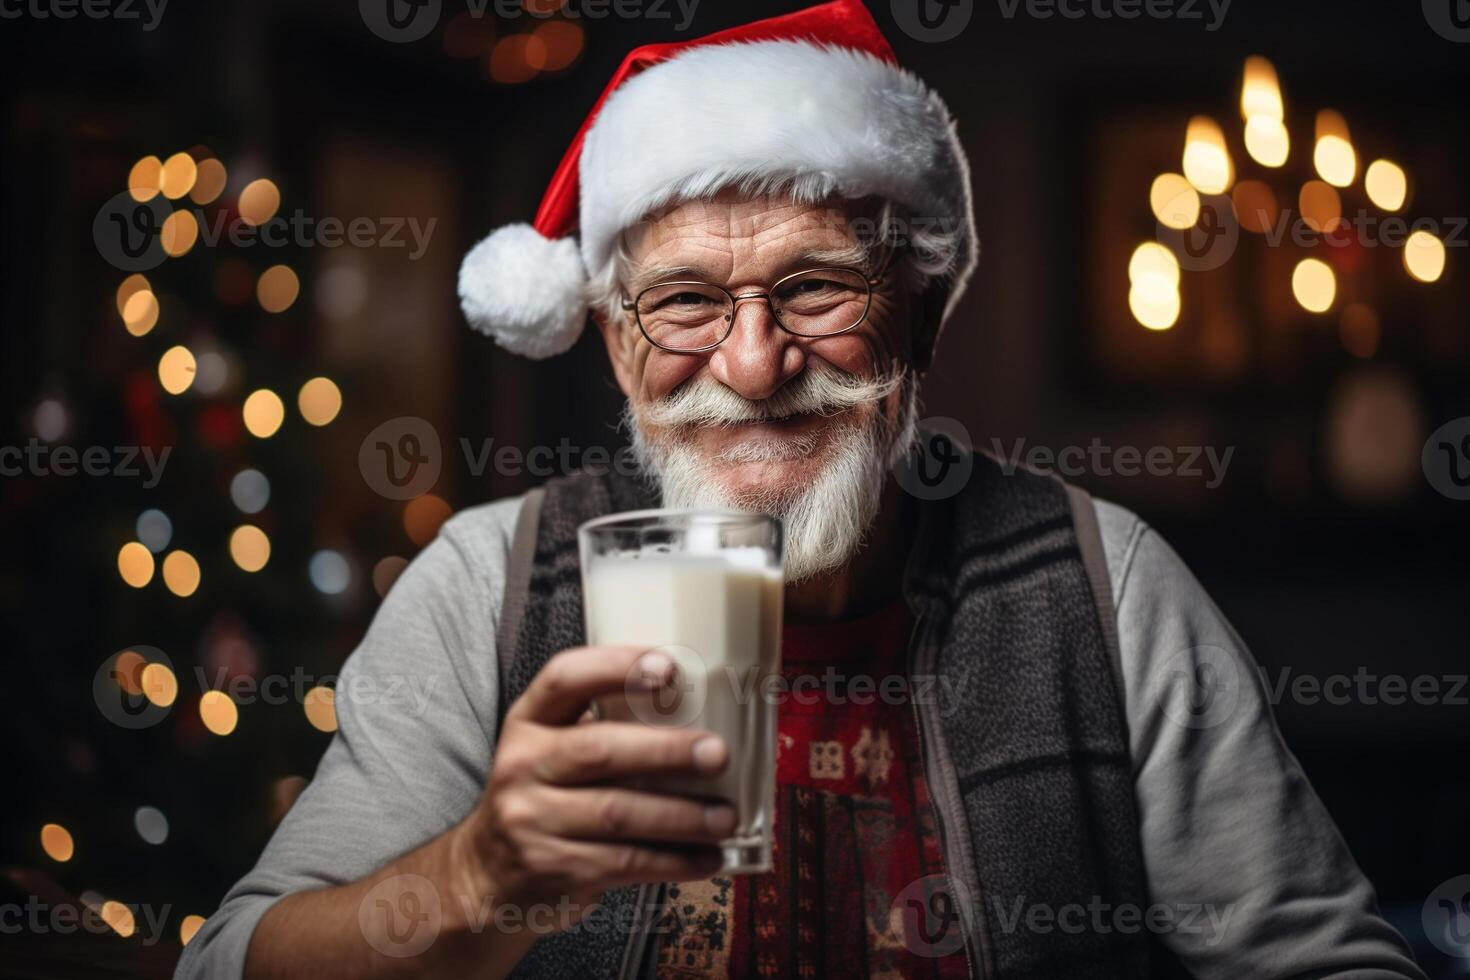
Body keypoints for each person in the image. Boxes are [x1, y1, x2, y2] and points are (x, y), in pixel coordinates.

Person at [175, 2, 1425, 977]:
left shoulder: (1109, 582)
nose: (757, 362)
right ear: (615, 344)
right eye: (684, 303)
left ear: (921, 312)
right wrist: (475, 879)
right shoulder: (483, 584)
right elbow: (231, 963)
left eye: (818, 286)